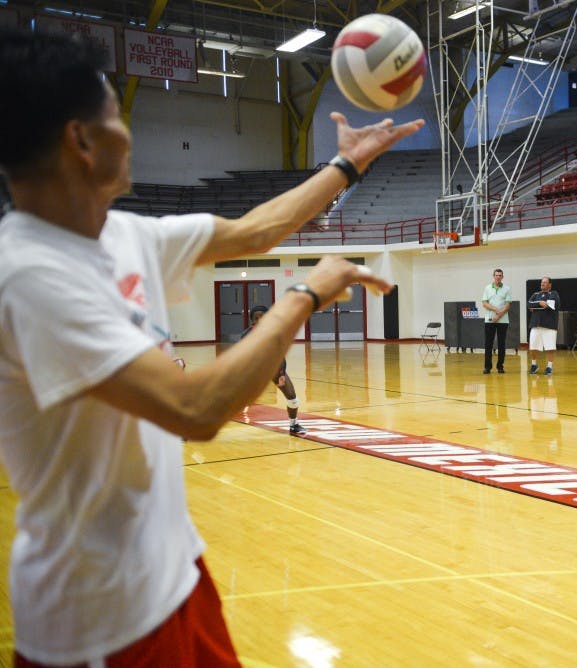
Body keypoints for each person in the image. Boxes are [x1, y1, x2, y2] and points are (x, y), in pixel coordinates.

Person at [0, 28, 418, 666]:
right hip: (100, 621)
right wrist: (303, 295)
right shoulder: (29, 276)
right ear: (80, 141)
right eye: (117, 117)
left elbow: (257, 229)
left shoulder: (123, 232)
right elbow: (193, 409)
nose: (128, 133)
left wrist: (347, 165)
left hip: (174, 572)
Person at [243, 305, 307, 436]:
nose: (260, 320)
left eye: (263, 317)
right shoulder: (247, 335)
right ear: (252, 320)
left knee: (293, 399)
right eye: (256, 318)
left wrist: (282, 373)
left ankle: (294, 425)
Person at [527, 275, 560, 375]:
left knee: (550, 347)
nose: (542, 284)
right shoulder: (536, 294)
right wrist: (540, 303)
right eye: (541, 282)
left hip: (549, 326)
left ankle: (549, 367)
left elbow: (550, 305)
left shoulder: (554, 294)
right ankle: (534, 365)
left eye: (545, 282)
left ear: (550, 284)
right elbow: (529, 304)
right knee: (532, 346)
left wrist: (536, 305)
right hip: (536, 325)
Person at [481, 268, 512, 374]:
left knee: (501, 344)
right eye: (496, 275)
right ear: (493, 276)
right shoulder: (487, 288)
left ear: (502, 277)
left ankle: (500, 366)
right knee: (488, 344)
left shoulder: (507, 289)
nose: (498, 277)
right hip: (489, 321)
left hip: (503, 321)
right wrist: (495, 309)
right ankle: (487, 367)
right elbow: (484, 303)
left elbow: (507, 305)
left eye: (500, 275)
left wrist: (498, 316)